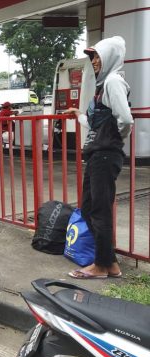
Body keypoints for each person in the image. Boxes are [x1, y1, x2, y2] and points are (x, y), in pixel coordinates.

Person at [65, 36, 133, 279]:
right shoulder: (104, 85)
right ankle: (110, 264)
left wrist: (115, 141)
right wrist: (79, 115)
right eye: (92, 57)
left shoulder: (113, 81)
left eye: (97, 56)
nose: (93, 61)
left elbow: (125, 119)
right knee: (89, 209)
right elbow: (98, 122)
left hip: (104, 155)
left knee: (99, 211)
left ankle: (101, 266)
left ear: (109, 57)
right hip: (99, 154)